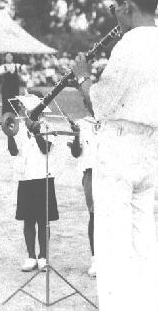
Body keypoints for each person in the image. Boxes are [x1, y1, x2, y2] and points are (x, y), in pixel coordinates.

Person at [72, 0, 158, 311]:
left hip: (119, 148)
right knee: (143, 241)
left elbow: (100, 105)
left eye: (115, 7)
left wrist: (83, 78)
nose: (114, 13)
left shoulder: (128, 46)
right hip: (149, 149)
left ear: (127, 6)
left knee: (112, 244)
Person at [9, 94, 58, 272]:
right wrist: (9, 133)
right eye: (21, 105)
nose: (22, 108)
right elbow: (13, 151)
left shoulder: (47, 125)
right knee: (28, 220)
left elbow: (45, 148)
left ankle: (43, 256)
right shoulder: (18, 126)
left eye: (25, 105)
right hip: (26, 177)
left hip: (44, 176)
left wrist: (36, 131)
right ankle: (31, 256)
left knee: (44, 220)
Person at [69, 117, 98, 277]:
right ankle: (95, 259)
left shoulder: (111, 119)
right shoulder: (81, 123)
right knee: (94, 215)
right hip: (91, 173)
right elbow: (75, 153)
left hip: (111, 172)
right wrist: (76, 136)